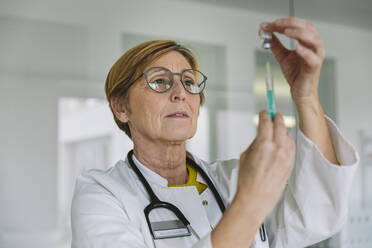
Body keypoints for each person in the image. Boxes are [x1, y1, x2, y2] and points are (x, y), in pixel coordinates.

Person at [71, 18, 359, 248]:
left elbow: (318, 213)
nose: (180, 93)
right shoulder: (102, 194)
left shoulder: (231, 179)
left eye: (188, 81)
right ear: (121, 107)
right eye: (159, 81)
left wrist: (305, 95)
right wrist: (249, 201)